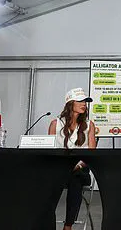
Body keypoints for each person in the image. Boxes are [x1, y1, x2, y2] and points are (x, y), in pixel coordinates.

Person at [49, 88, 97, 230]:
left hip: (80, 169)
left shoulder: (89, 125)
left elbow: (91, 153)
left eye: (85, 102)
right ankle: (46, 221)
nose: (84, 104)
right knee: (48, 179)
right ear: (70, 103)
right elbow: (49, 149)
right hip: (59, 168)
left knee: (75, 179)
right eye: (80, 101)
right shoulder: (55, 124)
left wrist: (77, 165)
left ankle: (68, 225)